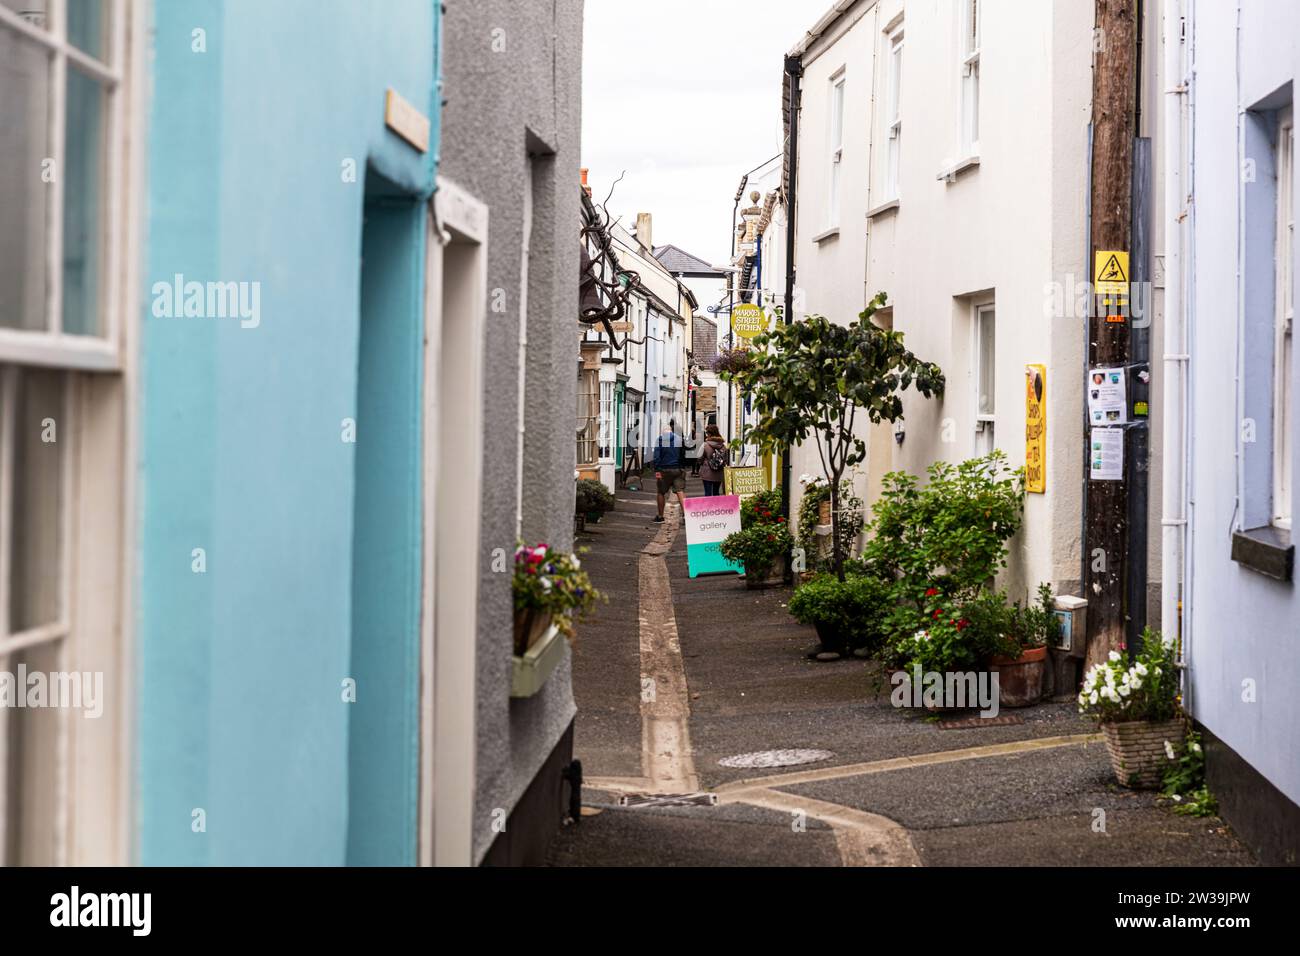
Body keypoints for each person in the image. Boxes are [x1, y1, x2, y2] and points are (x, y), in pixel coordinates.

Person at [653, 419, 686, 522]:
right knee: (680, 491)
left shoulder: (660, 440)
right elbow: (683, 454)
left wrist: (657, 469)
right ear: (671, 431)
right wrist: (682, 467)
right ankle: (686, 515)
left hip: (664, 470)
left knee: (661, 492)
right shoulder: (679, 439)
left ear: (663, 432)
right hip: (677, 469)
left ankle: (660, 516)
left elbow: (656, 457)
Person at [698, 424, 729, 496]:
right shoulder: (723, 446)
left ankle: (709, 507)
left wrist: (701, 463)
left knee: (708, 493)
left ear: (709, 433)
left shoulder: (705, 445)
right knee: (716, 492)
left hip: (707, 471)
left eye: (706, 433)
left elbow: (699, 457)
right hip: (719, 472)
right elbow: (725, 459)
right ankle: (716, 507)